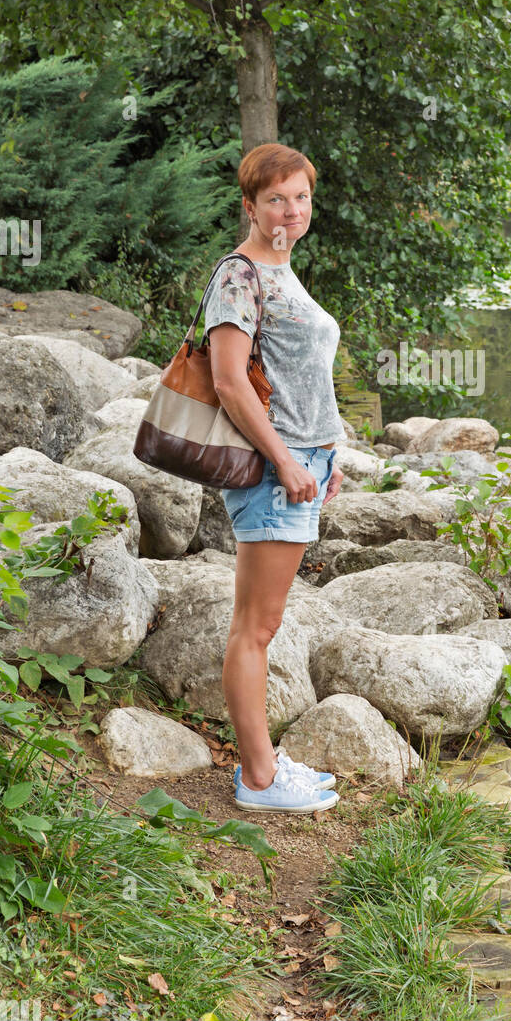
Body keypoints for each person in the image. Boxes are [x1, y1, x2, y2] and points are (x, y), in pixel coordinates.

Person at [200, 143, 344, 814]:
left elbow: (297, 375)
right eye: (276, 198)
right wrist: (288, 461)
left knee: (265, 622)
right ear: (250, 205)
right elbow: (229, 381)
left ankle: (262, 766)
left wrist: (328, 451)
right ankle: (258, 780)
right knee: (254, 629)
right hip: (270, 468)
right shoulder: (239, 276)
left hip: (302, 461)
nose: (291, 209)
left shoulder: (282, 269)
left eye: (301, 197)